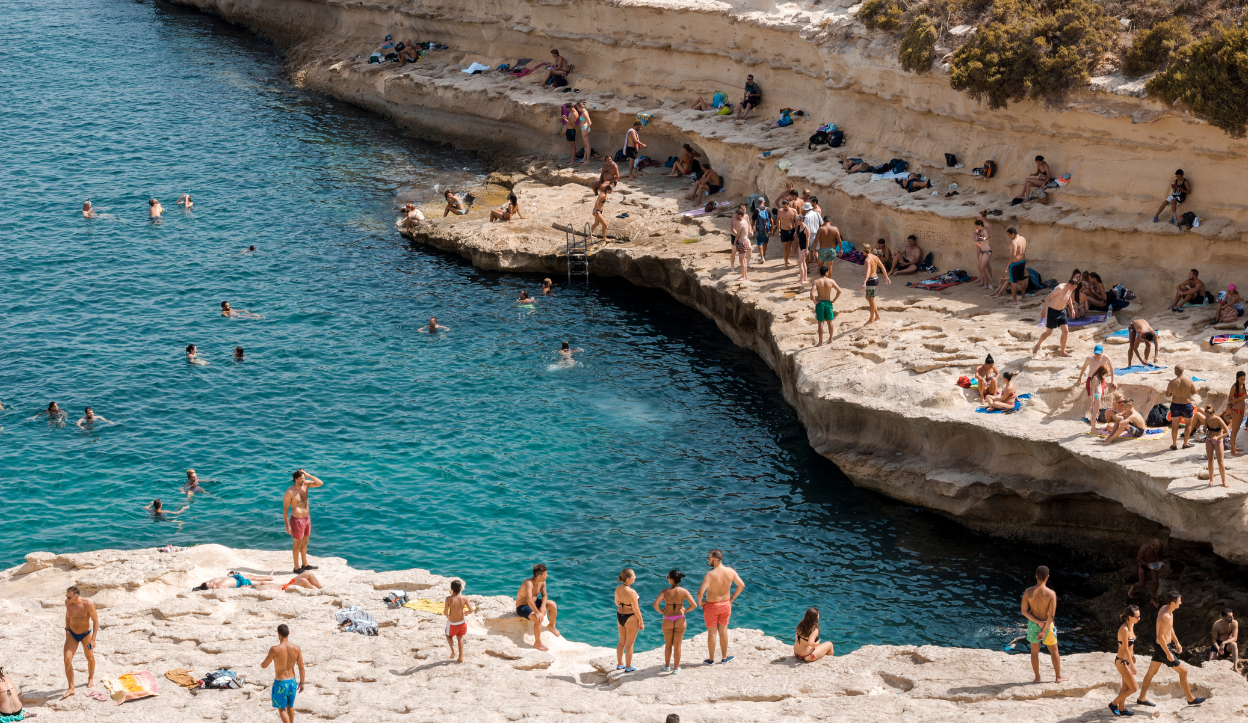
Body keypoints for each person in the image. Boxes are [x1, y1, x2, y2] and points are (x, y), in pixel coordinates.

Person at [1136, 591, 1205, 707]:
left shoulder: (1166, 609)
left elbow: (1170, 628)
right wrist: (1168, 653)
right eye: (1179, 601)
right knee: (1184, 672)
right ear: (1173, 603)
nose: (1181, 603)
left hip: (1161, 646)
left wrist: (1177, 642)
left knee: (1151, 672)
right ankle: (1190, 698)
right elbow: (1160, 637)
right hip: (1163, 648)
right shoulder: (1165, 616)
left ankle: (1141, 698)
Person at [696, 549, 745, 665]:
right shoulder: (731, 571)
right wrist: (732, 598)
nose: (708, 561)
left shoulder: (710, 574)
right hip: (726, 605)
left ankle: (711, 659)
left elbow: (699, 593)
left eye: (709, 559)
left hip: (712, 606)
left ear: (715, 560)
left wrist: (700, 602)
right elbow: (741, 585)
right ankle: (724, 658)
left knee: (712, 633)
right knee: (723, 632)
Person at [1021, 565, 1067, 683]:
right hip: (1047, 626)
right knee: (1054, 651)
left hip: (1033, 624)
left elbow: (1024, 611)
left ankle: (1037, 677)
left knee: (1034, 652)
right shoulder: (1051, 594)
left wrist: (1037, 622)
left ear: (1036, 575)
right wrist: (1044, 630)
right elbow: (1051, 616)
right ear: (1047, 577)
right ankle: (1058, 677)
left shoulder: (1028, 592)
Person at [653, 569, 697, 673]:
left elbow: (655, 604)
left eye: (668, 577)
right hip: (680, 618)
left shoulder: (665, 591)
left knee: (668, 645)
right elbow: (694, 605)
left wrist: (661, 611)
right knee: (678, 646)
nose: (667, 579)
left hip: (668, 619)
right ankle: (676, 669)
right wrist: (685, 610)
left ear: (672, 580)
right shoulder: (684, 591)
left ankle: (667, 666)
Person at [262, 624, 306, 723]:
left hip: (280, 683)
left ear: (278, 634)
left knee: (282, 708)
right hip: (292, 682)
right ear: (288, 633)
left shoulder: (275, 649)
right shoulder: (296, 648)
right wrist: (302, 682)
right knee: (290, 706)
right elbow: (301, 667)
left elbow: (264, 665)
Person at [283, 469, 324, 574]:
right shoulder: (290, 492)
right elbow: (285, 509)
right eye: (301, 478)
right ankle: (296, 568)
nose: (303, 480)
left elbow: (320, 483)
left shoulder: (305, 485)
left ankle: (305, 565)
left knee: (305, 542)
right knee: (297, 543)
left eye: (304, 478)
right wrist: (287, 526)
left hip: (307, 518)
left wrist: (308, 474)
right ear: (295, 479)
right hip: (297, 520)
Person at [62, 585, 99, 698]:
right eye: (66, 597)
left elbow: (96, 621)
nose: (66, 599)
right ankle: (71, 687)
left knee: (90, 657)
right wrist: (67, 629)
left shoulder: (87, 604)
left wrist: (93, 639)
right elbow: (68, 616)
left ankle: (90, 678)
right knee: (67, 659)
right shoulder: (68, 603)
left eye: (69, 597)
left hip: (85, 634)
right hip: (72, 633)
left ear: (76, 596)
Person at [515, 564, 560, 651]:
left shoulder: (542, 582)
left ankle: (551, 626)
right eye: (545, 574)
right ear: (539, 576)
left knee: (552, 604)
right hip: (523, 607)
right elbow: (529, 600)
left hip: (535, 603)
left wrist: (543, 607)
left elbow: (544, 595)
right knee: (538, 618)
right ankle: (537, 643)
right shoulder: (529, 583)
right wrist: (537, 612)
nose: (547, 575)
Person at [1031, 278, 1078, 357]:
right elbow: (1048, 297)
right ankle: (1037, 345)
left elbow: (1069, 297)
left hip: (1062, 311)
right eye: (1073, 287)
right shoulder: (1059, 288)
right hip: (1053, 311)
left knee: (1065, 331)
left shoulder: (1070, 289)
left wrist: (1072, 309)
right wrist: (1043, 310)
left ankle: (1062, 352)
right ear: (1070, 284)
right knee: (1048, 333)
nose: (1074, 289)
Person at [1110, 604, 1140, 717]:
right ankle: (1113, 704)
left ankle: (1121, 709)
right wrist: (1132, 666)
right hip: (1122, 662)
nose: (1139, 618)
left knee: (1125, 687)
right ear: (1129, 617)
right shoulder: (1124, 629)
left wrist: (1132, 656)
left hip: (1127, 660)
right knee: (1133, 688)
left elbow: (1130, 647)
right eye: (1137, 616)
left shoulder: (1131, 626)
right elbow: (1125, 649)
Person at [614, 569, 644, 672]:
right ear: (628, 579)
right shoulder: (632, 592)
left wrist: (624, 606)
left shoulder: (618, 588)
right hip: (630, 617)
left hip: (619, 615)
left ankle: (619, 664)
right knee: (629, 644)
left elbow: (616, 602)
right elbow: (636, 609)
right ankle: (628, 666)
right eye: (633, 576)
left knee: (621, 641)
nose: (635, 577)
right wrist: (641, 621)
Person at [1164, 365, 1201, 451]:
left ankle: (1174, 444)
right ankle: (1185, 443)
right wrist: (1186, 392)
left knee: (1174, 426)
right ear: (1183, 371)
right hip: (1186, 405)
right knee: (1188, 424)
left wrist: (1175, 392)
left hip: (1175, 404)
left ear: (1175, 372)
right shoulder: (1189, 381)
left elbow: (1168, 395)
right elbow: (1195, 391)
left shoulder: (1172, 382)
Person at [444, 579, 475, 663]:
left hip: (452, 623)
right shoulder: (464, 598)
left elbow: (445, 612)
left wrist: (447, 615)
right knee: (460, 637)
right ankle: (461, 656)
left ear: (451, 588)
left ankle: (453, 650)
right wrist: (467, 612)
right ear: (461, 588)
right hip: (461, 622)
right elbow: (471, 610)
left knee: (448, 635)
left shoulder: (448, 598)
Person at [810, 265, 843, 346]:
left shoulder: (816, 282)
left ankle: (820, 342)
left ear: (820, 272)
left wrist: (815, 301)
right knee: (830, 322)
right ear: (826, 272)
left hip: (820, 303)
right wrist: (834, 300)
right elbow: (839, 291)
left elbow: (811, 293)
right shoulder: (831, 281)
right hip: (828, 302)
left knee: (820, 323)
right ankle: (831, 338)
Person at [1127, 539, 1165, 606]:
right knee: (1142, 584)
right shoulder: (1145, 548)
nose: (1158, 550)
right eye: (1156, 548)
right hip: (1143, 566)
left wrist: (1160, 563)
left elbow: (1160, 556)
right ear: (1152, 545)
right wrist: (1146, 565)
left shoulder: (1160, 548)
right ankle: (1133, 587)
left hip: (1152, 565)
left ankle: (1152, 599)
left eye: (1159, 548)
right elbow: (1138, 558)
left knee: (1155, 581)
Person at [862, 243, 890, 325]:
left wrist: (864, 281)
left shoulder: (867, 260)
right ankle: (877, 315)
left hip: (870, 281)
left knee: (871, 300)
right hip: (875, 279)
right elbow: (882, 266)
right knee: (868, 297)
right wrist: (886, 277)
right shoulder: (875, 257)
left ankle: (871, 319)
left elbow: (868, 272)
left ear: (863, 251)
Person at [1204, 405, 1230, 488]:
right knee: (1210, 460)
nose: (1206, 417)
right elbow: (1204, 430)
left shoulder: (1218, 420)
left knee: (1220, 462)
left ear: (1212, 415)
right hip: (1209, 439)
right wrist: (1202, 431)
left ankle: (1223, 481)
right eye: (1205, 416)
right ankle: (1211, 480)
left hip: (1218, 440)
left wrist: (1218, 437)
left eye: (1208, 416)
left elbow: (1227, 432)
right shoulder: (1206, 419)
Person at [1083, 365, 1112, 433]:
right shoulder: (1095, 378)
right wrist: (1092, 400)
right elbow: (1092, 389)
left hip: (1097, 395)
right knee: (1094, 413)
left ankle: (1094, 427)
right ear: (1102, 371)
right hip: (1096, 396)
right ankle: (1093, 429)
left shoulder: (1100, 376)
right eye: (1104, 373)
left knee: (1096, 412)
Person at [1002, 228, 1028, 305]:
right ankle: (1023, 297)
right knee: (1021, 279)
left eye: (1009, 235)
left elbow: (1013, 255)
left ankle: (1014, 301)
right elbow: (1024, 249)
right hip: (1022, 261)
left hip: (1015, 264)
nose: (1008, 236)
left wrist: (1008, 265)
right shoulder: (1023, 238)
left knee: (1013, 282)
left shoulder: (1014, 242)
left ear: (1013, 233)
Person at [969, 213, 993, 289]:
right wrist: (967, 235)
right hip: (982, 250)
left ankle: (987, 283)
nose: (976, 227)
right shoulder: (980, 231)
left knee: (983, 268)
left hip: (986, 251)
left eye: (976, 226)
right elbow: (976, 239)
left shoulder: (985, 229)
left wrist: (984, 239)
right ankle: (983, 282)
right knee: (980, 268)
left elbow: (987, 237)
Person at [730, 205, 751, 281]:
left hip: (742, 243)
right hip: (745, 242)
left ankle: (743, 276)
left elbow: (738, 234)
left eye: (736, 215)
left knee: (741, 261)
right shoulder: (745, 221)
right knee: (744, 260)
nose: (735, 216)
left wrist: (735, 241)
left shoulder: (741, 223)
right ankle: (744, 275)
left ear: (739, 215)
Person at [1229, 371, 1247, 457]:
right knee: (1234, 431)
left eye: (1244, 379)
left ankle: (1234, 447)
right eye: (1241, 379)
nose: (1243, 381)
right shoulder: (1234, 387)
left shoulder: (1242, 385)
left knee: (1236, 430)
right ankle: (1233, 451)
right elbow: (1229, 400)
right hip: (1236, 411)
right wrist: (1240, 398)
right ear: (1237, 378)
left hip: (1242, 410)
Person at [777, 197, 798, 268]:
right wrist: (778, 229)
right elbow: (778, 220)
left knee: (789, 245)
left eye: (785, 207)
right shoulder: (780, 211)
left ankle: (788, 259)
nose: (784, 208)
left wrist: (796, 231)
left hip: (791, 230)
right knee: (785, 246)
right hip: (783, 230)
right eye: (783, 207)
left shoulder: (794, 211)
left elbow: (797, 222)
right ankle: (785, 263)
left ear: (788, 205)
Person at [751, 196, 771, 263]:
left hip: (759, 229)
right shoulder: (768, 209)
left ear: (758, 203)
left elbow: (753, 220)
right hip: (766, 229)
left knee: (759, 243)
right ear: (764, 202)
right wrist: (772, 229)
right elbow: (771, 220)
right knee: (765, 241)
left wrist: (751, 227)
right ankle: (764, 254)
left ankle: (762, 257)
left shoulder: (757, 210)